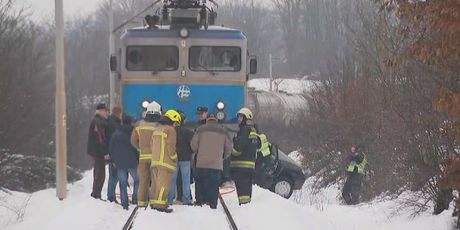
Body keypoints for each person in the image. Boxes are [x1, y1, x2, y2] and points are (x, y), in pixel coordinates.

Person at [191, 113, 232, 209]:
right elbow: (229, 148)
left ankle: (200, 202)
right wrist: (222, 157)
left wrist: (199, 152)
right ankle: (213, 204)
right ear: (216, 120)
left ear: (207, 119)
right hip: (216, 164)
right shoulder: (223, 131)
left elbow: (193, 145)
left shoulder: (200, 129)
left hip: (201, 163)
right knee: (213, 185)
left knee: (200, 183)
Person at [131, 101, 162, 208]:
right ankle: (153, 202)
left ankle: (141, 203)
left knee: (143, 181)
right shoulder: (160, 125)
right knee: (155, 181)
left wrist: (140, 148)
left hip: (143, 157)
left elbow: (133, 140)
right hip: (156, 158)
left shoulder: (139, 124)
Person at [150, 110, 180, 213]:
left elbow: (151, 145)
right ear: (173, 120)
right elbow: (171, 146)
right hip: (165, 162)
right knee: (164, 184)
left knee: (155, 183)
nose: (176, 126)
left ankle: (154, 202)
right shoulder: (170, 130)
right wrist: (174, 157)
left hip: (155, 161)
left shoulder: (157, 129)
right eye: (176, 123)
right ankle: (160, 205)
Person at [109, 115, 139, 210]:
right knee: (138, 180)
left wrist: (113, 160)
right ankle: (135, 198)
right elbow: (137, 147)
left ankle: (124, 203)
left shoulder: (116, 133)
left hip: (120, 162)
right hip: (132, 161)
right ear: (131, 122)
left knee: (122, 183)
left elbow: (111, 148)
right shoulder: (134, 133)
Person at [230, 107, 259, 205]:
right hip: (250, 167)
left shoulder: (244, 130)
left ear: (246, 118)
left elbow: (237, 150)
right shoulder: (253, 130)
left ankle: (244, 209)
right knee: (247, 191)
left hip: (241, 168)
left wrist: (231, 146)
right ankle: (246, 209)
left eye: (241, 117)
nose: (238, 119)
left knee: (242, 193)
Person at [168, 111, 194, 205]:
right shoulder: (189, 132)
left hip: (174, 158)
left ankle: (170, 199)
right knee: (186, 180)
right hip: (186, 158)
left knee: (172, 180)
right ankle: (186, 199)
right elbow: (192, 145)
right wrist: (191, 152)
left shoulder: (172, 131)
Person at [87, 103, 109, 200]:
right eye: (105, 111)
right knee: (100, 174)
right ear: (99, 111)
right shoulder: (97, 122)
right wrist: (104, 152)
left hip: (97, 151)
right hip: (98, 152)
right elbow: (99, 138)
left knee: (100, 173)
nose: (106, 113)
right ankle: (96, 194)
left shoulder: (99, 121)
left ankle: (97, 194)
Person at [106, 106, 123, 203]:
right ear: (118, 113)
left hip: (111, 152)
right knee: (114, 176)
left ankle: (111, 196)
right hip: (114, 154)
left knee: (113, 176)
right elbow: (115, 141)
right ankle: (111, 197)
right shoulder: (115, 124)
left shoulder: (110, 121)